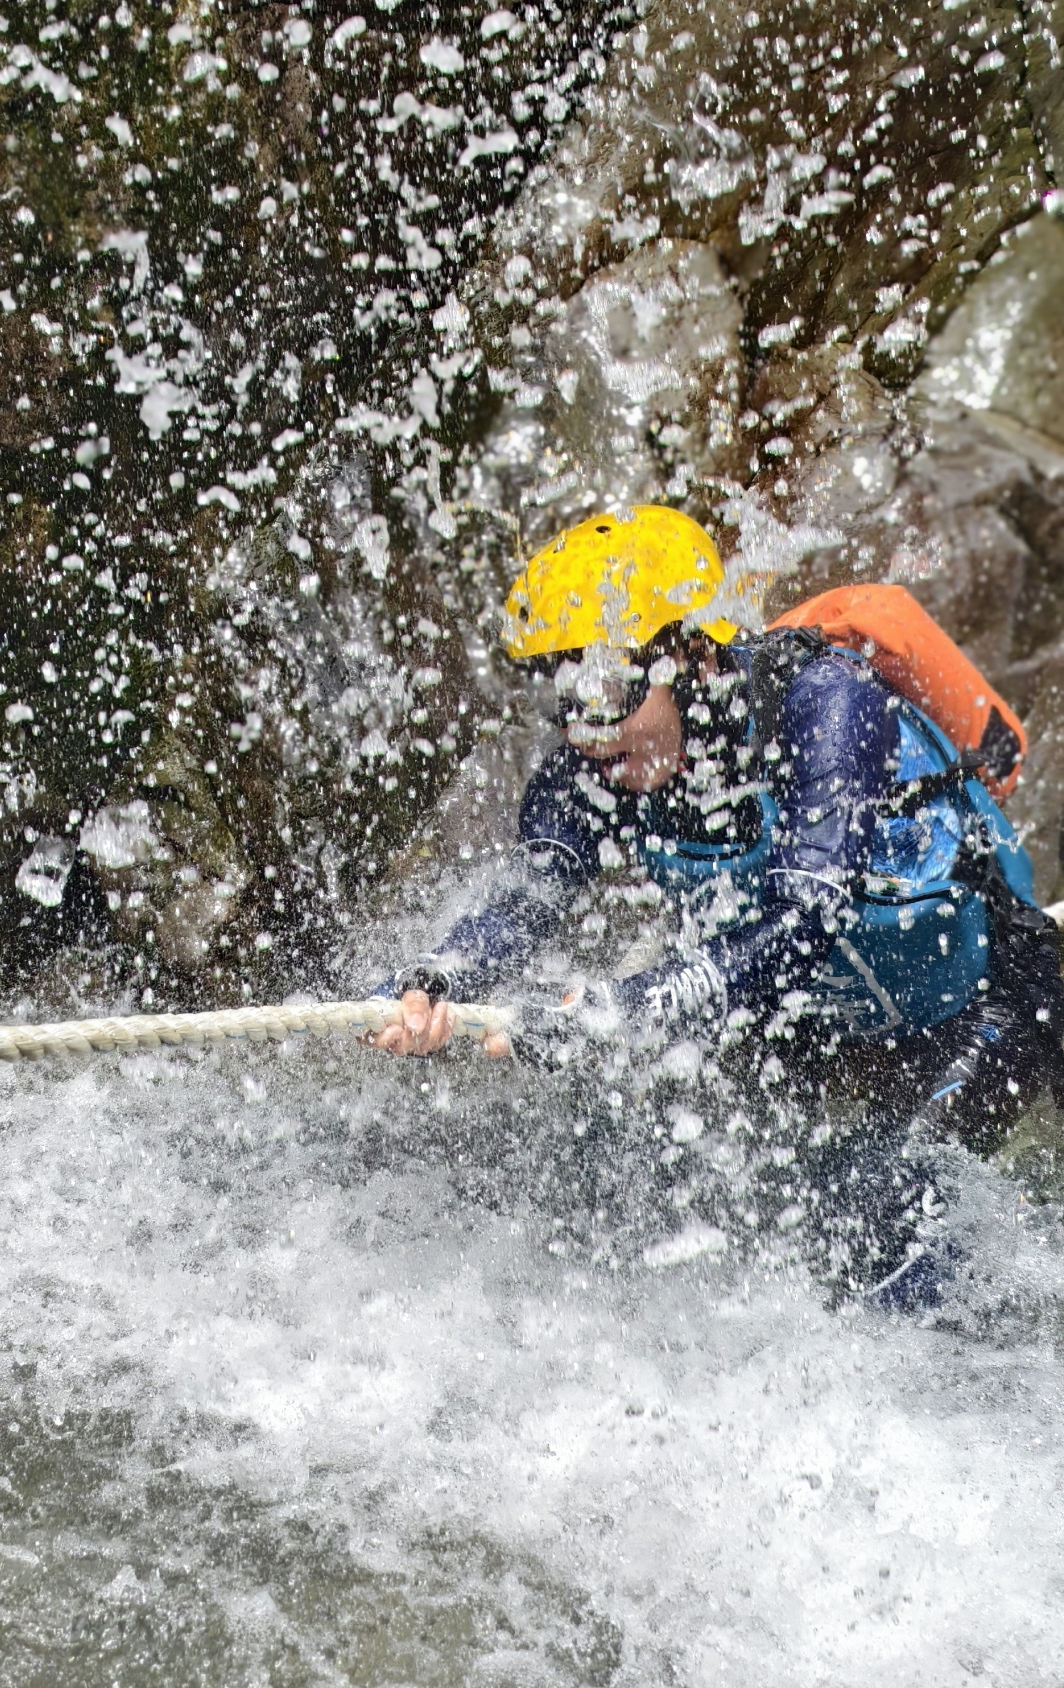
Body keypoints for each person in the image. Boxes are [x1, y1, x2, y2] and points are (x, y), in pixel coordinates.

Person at [368, 506, 1064, 1305]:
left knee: (879, 1217)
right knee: (636, 1172)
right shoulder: (596, 769)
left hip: (984, 1004)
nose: (586, 733)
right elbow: (529, 897)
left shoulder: (828, 704)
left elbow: (806, 919)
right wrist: (437, 979)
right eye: (567, 698)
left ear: (692, 656)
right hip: (809, 1028)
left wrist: (625, 1006)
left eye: (607, 692)